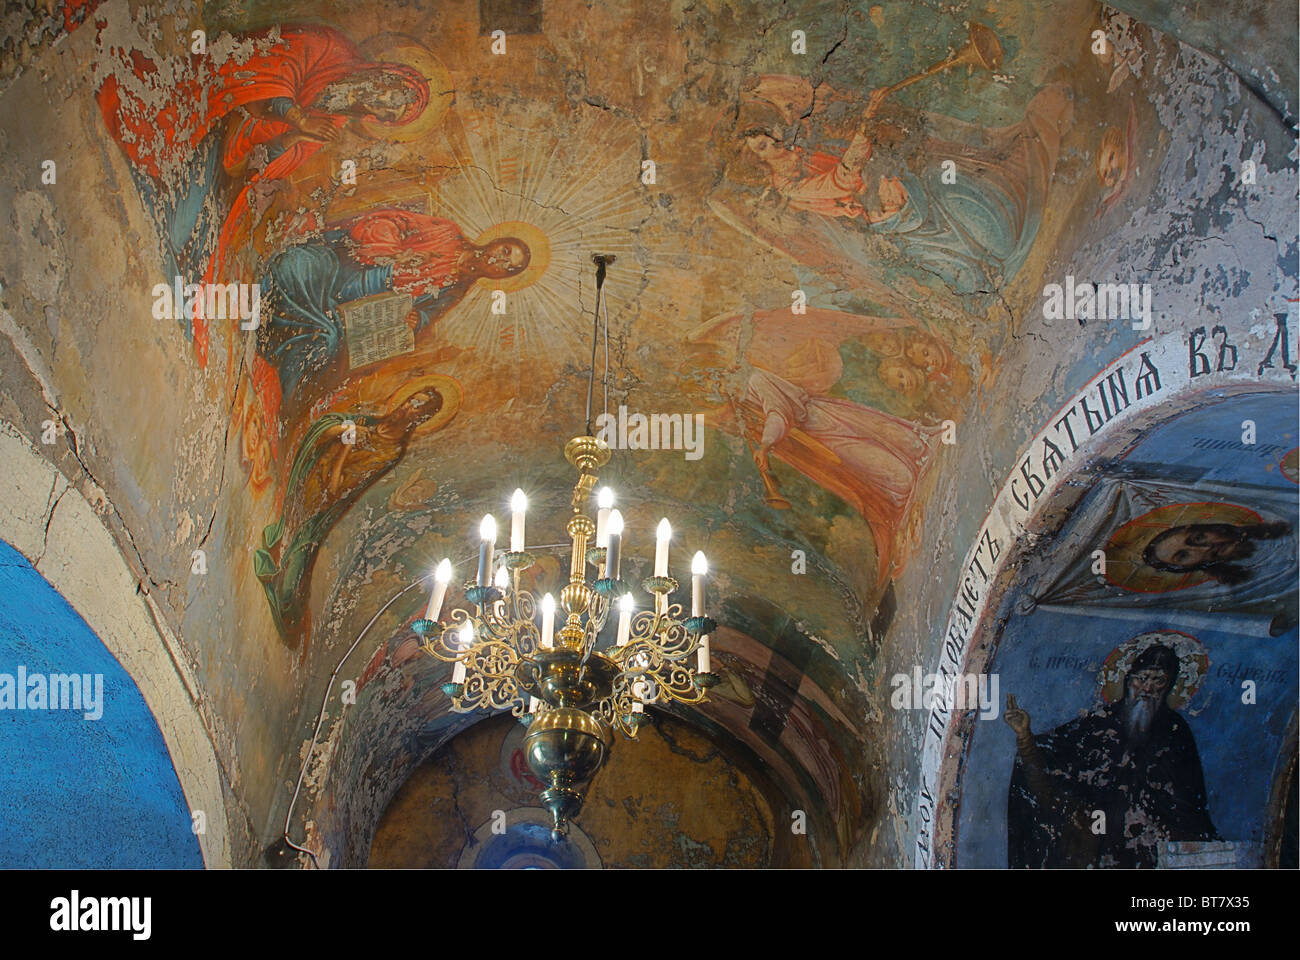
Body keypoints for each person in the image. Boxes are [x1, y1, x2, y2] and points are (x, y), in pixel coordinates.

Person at [254, 208, 528, 418]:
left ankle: (287, 381)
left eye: (509, 266)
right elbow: (391, 221)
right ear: (495, 241)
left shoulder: (456, 290)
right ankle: (271, 316)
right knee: (297, 265)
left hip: (355, 309)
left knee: (325, 339)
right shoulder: (447, 233)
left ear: (502, 276)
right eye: (505, 251)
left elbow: (426, 314)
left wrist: (415, 320)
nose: (500, 260)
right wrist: (391, 254)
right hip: (344, 269)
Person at [253, 388, 443, 650]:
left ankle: (287, 590)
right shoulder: (370, 421)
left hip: (321, 501)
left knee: (294, 570)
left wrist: (347, 446)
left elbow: (336, 489)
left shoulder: (390, 452)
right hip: (310, 478)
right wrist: (344, 430)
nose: (406, 407)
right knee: (286, 533)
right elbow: (324, 428)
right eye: (411, 400)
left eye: (416, 407)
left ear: (420, 418)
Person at [1004, 643, 1218, 868]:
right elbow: (1052, 762)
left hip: (1149, 853)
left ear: (1169, 686)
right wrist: (1025, 736)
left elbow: (1188, 805)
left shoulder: (1175, 732)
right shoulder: (1097, 724)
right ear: (1128, 680)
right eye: (1142, 678)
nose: (1147, 688)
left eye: (1159, 680)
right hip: (1092, 848)